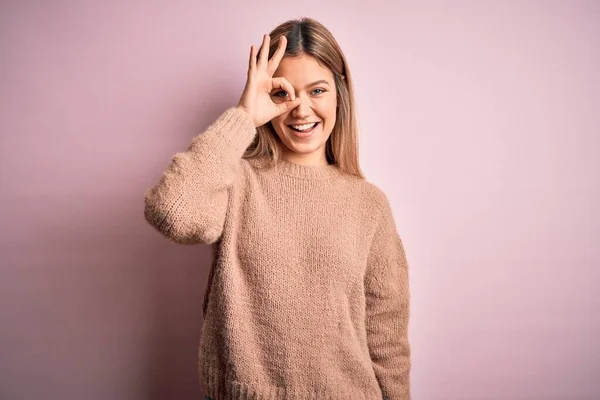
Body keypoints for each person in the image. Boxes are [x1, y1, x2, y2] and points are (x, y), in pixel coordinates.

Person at [144, 17, 411, 400]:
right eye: (283, 93)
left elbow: (387, 336)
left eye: (317, 90)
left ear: (339, 93)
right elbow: (172, 212)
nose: (301, 110)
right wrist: (243, 116)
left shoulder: (369, 204)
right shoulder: (237, 181)